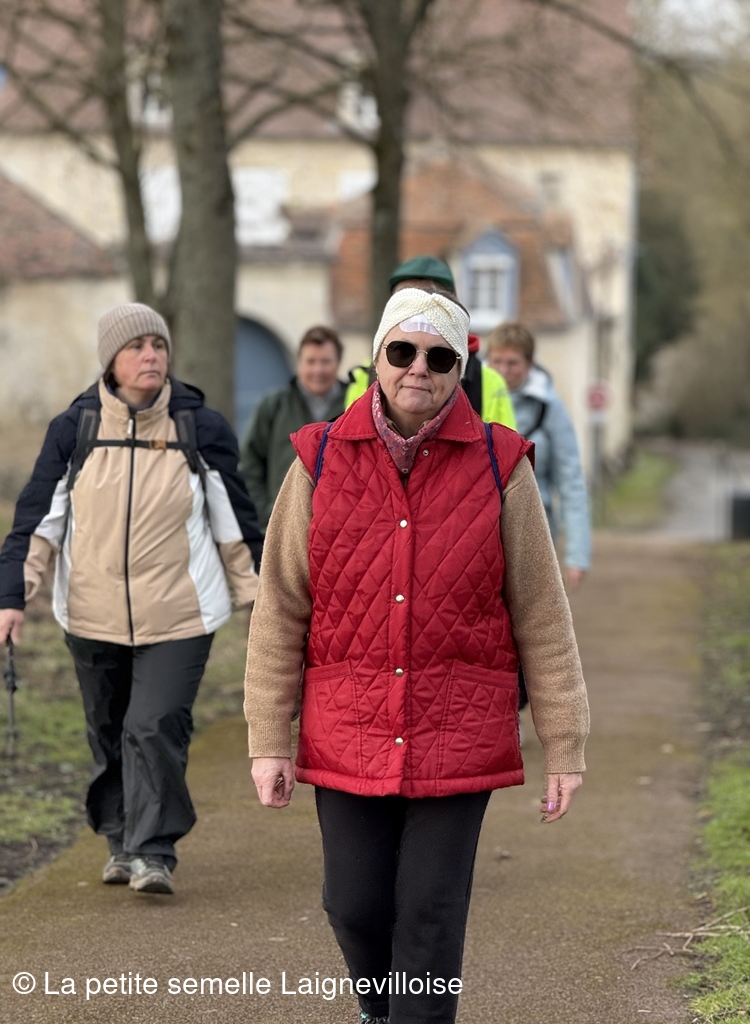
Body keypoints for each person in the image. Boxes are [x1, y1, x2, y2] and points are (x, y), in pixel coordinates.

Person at [243, 288, 589, 1024]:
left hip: (457, 728)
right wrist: (268, 739)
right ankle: (382, 1010)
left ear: (459, 369)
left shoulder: (500, 463)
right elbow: (280, 606)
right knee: (354, 905)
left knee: (430, 913)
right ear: (377, 359)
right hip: (349, 722)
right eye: (402, 351)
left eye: (439, 357)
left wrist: (564, 743)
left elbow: (541, 612)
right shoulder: (318, 460)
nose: (418, 369)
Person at [0, 302, 263, 896]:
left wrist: (259, 603)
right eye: (136, 346)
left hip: (182, 612)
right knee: (109, 728)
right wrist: (13, 595)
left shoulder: (199, 427)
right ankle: (121, 839)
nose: (151, 355)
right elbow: (38, 523)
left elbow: (235, 525)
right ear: (110, 360)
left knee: (155, 724)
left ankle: (153, 850)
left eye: (158, 345)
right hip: (91, 612)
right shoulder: (76, 429)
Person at [344, 254, 516, 429]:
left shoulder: (488, 382)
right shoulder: (363, 376)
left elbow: (503, 441)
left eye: (440, 358)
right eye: (407, 299)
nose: (419, 369)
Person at [487, 320, 591, 590]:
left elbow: (570, 481)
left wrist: (577, 554)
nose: (503, 370)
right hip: (483, 529)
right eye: (497, 361)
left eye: (512, 363)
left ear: (529, 364)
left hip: (536, 532)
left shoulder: (549, 408)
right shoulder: (471, 398)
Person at [242, 325, 346, 531]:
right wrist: (267, 513)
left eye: (325, 361)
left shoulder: (354, 407)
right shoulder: (273, 406)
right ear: (299, 363)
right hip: (283, 527)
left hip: (340, 529)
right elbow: (249, 463)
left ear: (338, 363)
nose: (318, 370)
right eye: (311, 361)